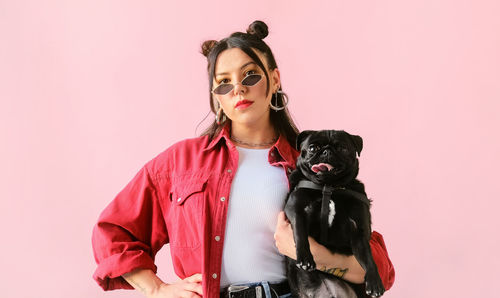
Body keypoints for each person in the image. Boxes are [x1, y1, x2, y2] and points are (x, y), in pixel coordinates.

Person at [92, 20, 395, 298]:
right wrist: (156, 289)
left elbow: (379, 267)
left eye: (250, 75)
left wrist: (318, 257)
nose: (238, 88)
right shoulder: (181, 162)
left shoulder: (308, 164)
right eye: (224, 82)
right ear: (216, 97)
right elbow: (114, 231)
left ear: (275, 80)